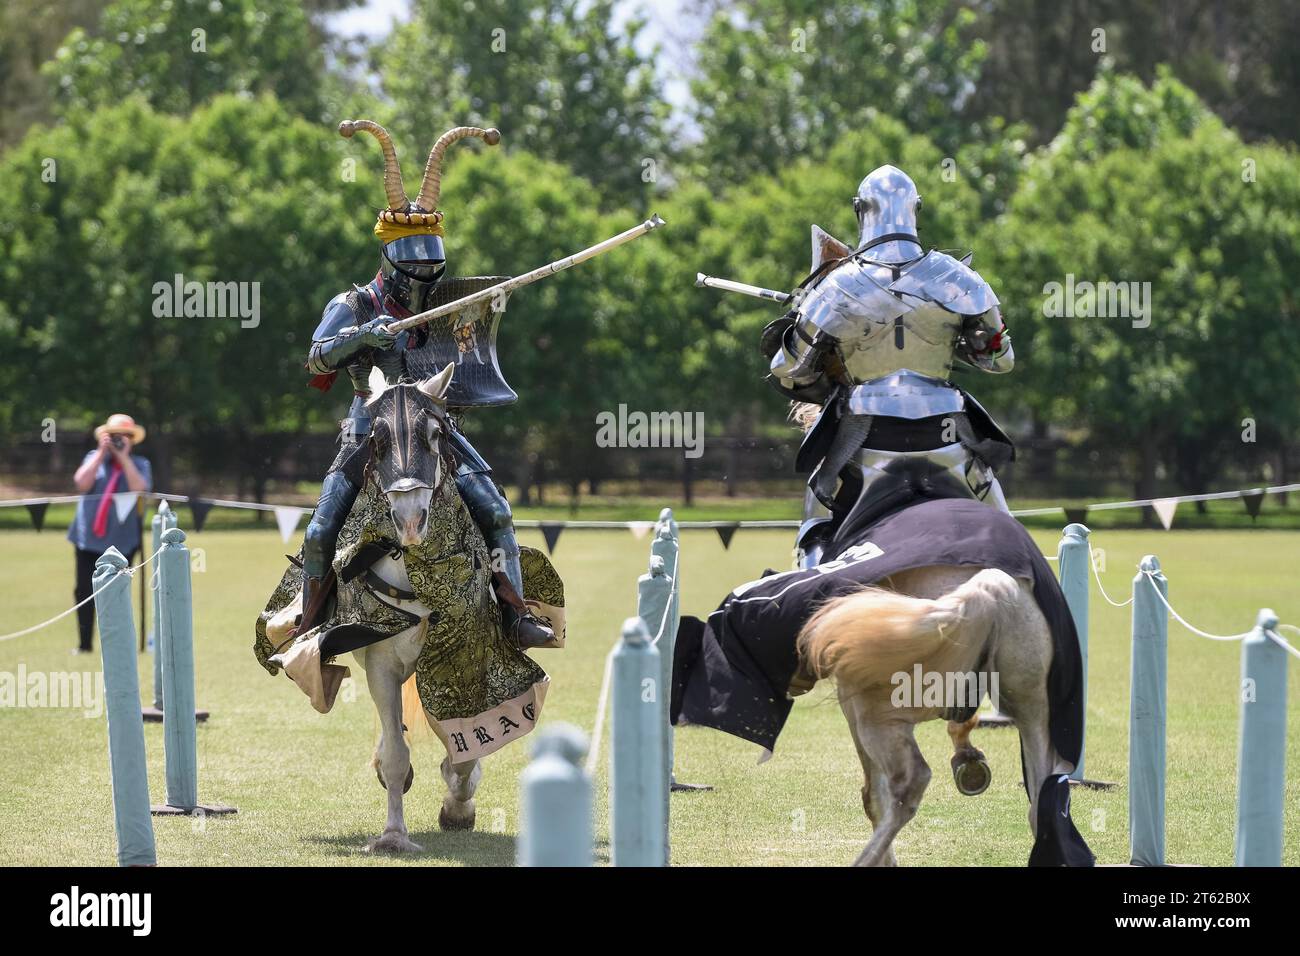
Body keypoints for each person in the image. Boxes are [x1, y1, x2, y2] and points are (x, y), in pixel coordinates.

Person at [299, 119, 553, 648]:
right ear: (388, 254)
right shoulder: (354, 304)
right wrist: (363, 335)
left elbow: (471, 345)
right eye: (411, 256)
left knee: (496, 511)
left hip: (435, 422)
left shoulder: (446, 302)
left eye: (428, 255)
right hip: (372, 427)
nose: (421, 267)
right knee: (321, 531)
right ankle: (311, 629)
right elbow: (317, 360)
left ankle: (515, 616)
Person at [760, 164, 1016, 566]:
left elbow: (789, 371)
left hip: (864, 437)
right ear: (916, 210)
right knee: (1010, 539)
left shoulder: (836, 286)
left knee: (819, 514)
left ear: (860, 211)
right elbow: (1000, 361)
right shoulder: (959, 279)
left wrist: (799, 326)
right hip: (946, 436)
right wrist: (951, 338)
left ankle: (809, 586)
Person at [68, 413, 152, 653]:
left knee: (117, 595)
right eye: (115, 436)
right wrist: (101, 454)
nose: (120, 440)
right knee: (84, 592)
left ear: (132, 440)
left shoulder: (140, 464)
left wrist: (123, 458)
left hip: (124, 542)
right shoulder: (93, 458)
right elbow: (81, 483)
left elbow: (140, 488)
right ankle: (84, 645)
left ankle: (116, 646)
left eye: (125, 436)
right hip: (87, 540)